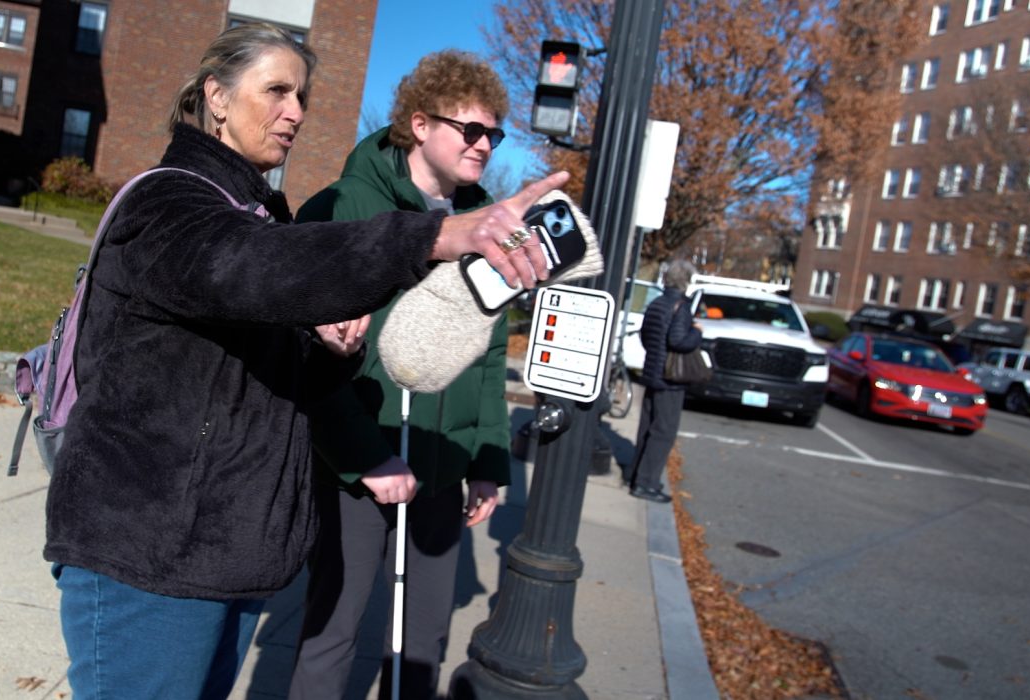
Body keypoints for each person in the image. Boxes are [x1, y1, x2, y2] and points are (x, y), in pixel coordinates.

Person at [43, 24, 566, 700]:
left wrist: (323, 354)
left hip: (219, 559)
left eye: (303, 97)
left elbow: (256, 367)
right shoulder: (168, 201)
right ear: (218, 97)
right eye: (277, 91)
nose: (295, 112)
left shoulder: (257, 209)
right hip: (146, 559)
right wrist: (436, 235)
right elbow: (249, 269)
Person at [288, 49, 511, 700]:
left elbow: (490, 354)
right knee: (331, 635)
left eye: (493, 133)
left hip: (441, 471)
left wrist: (488, 459)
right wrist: (364, 456)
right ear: (420, 124)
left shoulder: (486, 228)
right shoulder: (342, 206)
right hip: (357, 465)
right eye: (471, 129)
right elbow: (301, 351)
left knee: (422, 647)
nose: (485, 145)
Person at [623, 260, 703, 503]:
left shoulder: (656, 303)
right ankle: (646, 483)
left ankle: (635, 474)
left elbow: (646, 336)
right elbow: (679, 341)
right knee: (663, 432)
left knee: (647, 427)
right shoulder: (682, 307)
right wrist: (697, 332)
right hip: (670, 378)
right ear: (685, 282)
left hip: (652, 372)